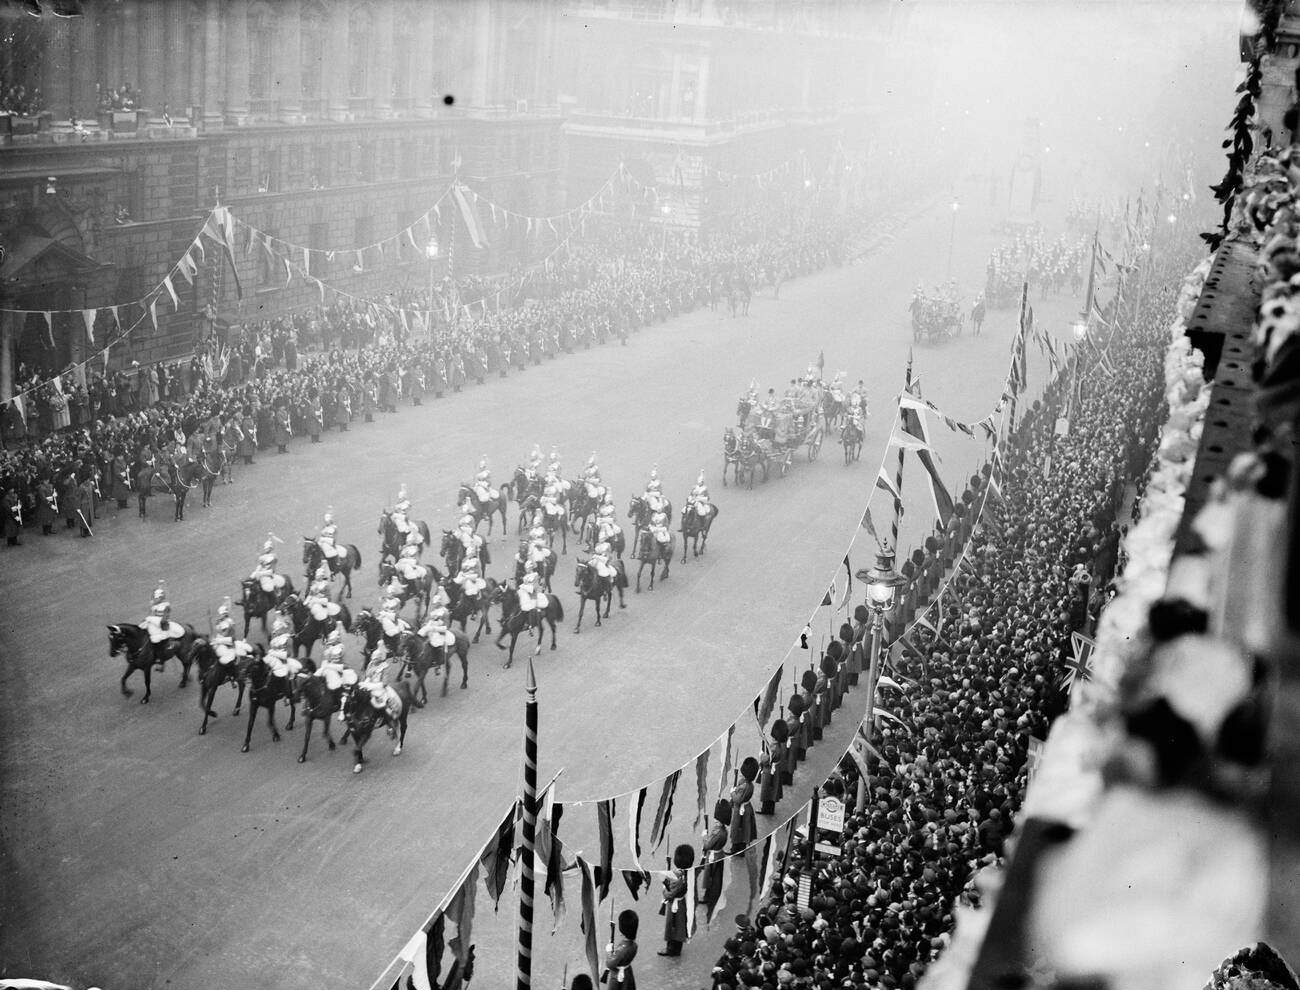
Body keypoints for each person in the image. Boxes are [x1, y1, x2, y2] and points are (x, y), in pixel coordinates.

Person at [659, 845, 694, 956]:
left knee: (674, 927)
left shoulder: (678, 880)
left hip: (676, 905)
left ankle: (672, 950)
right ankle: (674, 947)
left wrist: (664, 888)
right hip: (682, 903)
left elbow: (668, 895)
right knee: (678, 926)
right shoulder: (687, 873)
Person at [211, 597, 254, 666]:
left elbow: (224, 634)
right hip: (226, 638)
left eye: (221, 614)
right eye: (220, 614)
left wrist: (217, 639)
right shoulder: (224, 621)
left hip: (229, 640)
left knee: (215, 645)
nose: (220, 616)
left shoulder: (227, 622)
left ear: (224, 614)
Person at [604, 909, 639, 989]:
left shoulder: (621, 950)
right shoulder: (634, 945)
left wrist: (609, 951)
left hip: (617, 977)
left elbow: (610, 964)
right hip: (627, 973)